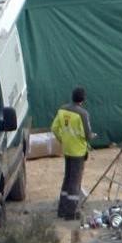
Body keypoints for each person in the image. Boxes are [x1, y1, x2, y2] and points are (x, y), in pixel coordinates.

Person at [52, 86, 95, 220]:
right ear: (83, 99)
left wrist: (62, 139)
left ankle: (62, 209)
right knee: (75, 182)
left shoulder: (62, 110)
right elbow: (88, 135)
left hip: (67, 149)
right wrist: (92, 136)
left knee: (67, 179)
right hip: (78, 152)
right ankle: (71, 213)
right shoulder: (83, 114)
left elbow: (54, 128)